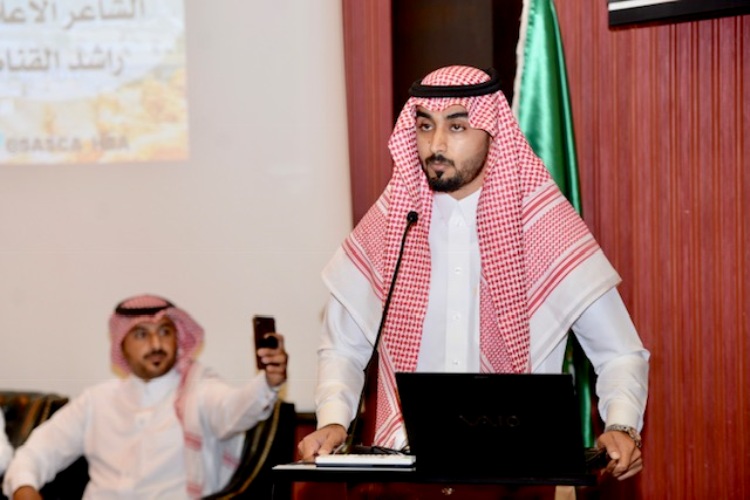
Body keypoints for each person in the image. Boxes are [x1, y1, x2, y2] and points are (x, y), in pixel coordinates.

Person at [298, 65, 649, 481]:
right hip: (407, 477)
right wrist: (334, 419)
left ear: (492, 131)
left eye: (457, 126)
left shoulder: (544, 226)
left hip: (522, 475)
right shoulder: (394, 223)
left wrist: (622, 424)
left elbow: (619, 353)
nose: (436, 144)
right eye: (425, 126)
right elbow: (343, 347)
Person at [2, 294, 288, 499]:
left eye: (165, 332)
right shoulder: (97, 401)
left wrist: (268, 382)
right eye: (141, 335)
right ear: (121, 346)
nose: (156, 344)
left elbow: (235, 408)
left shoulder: (200, 390)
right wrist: (25, 489)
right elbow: (36, 453)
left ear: (178, 339)